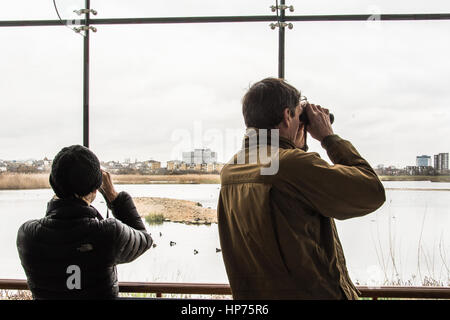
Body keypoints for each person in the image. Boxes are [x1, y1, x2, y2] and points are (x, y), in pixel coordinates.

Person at [217, 77, 386, 300]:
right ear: (287, 116)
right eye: (298, 114)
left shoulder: (231, 169)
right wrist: (328, 137)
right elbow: (371, 192)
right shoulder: (290, 165)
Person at [17, 145, 153, 299]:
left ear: (53, 183)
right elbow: (144, 239)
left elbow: (55, 240)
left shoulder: (27, 235)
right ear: (95, 188)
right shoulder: (107, 234)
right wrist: (114, 197)